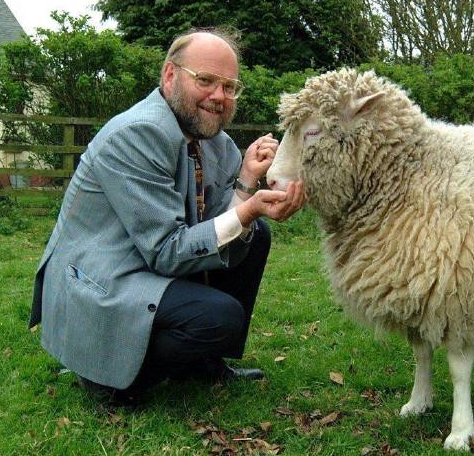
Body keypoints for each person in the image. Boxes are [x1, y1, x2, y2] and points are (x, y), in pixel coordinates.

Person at [28, 28, 306, 403]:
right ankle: (111, 382)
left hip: (147, 261)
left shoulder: (214, 140)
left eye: (229, 87)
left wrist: (246, 181)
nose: (219, 97)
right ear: (170, 75)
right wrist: (248, 209)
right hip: (100, 279)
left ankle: (202, 364)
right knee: (219, 316)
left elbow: (215, 224)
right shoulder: (137, 134)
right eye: (205, 81)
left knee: (255, 234)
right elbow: (167, 251)